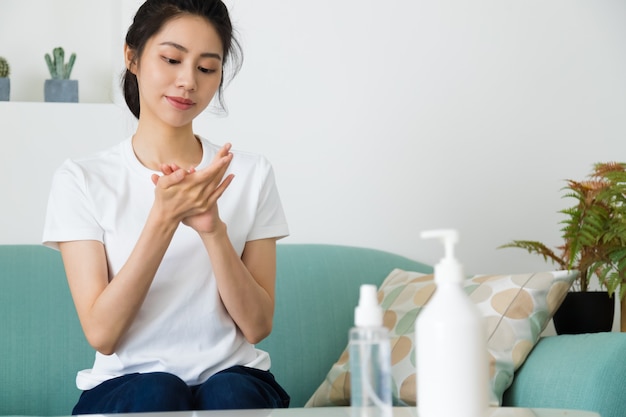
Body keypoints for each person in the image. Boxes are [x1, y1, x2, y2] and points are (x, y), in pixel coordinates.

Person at [42, 0, 290, 413]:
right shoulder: (81, 179)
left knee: (229, 393)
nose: (188, 81)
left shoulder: (252, 174)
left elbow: (258, 326)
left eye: (206, 68)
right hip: (124, 386)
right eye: (172, 59)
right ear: (132, 56)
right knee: (158, 391)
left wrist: (213, 231)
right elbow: (103, 334)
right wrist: (164, 218)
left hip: (236, 380)